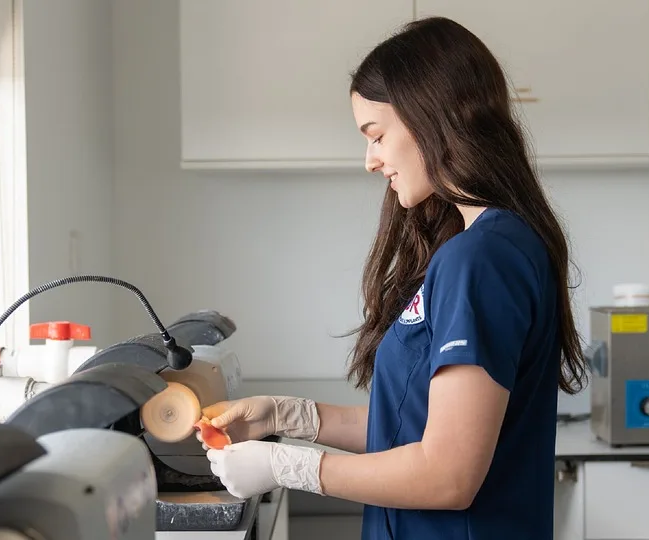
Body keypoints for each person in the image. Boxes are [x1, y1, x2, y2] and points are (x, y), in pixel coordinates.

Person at [195, 15, 588, 540]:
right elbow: (415, 427)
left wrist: (288, 467)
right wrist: (286, 416)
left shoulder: (482, 258)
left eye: (376, 135)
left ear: (431, 118)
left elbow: (447, 475)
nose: (370, 160)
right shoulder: (477, 247)